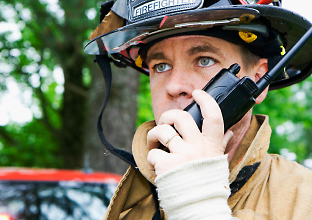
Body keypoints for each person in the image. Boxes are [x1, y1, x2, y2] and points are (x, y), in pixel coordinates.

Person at [84, 0, 312, 219]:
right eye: (161, 66)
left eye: (204, 60)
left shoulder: (303, 199)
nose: (174, 87)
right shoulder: (128, 210)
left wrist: (198, 204)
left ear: (258, 79)